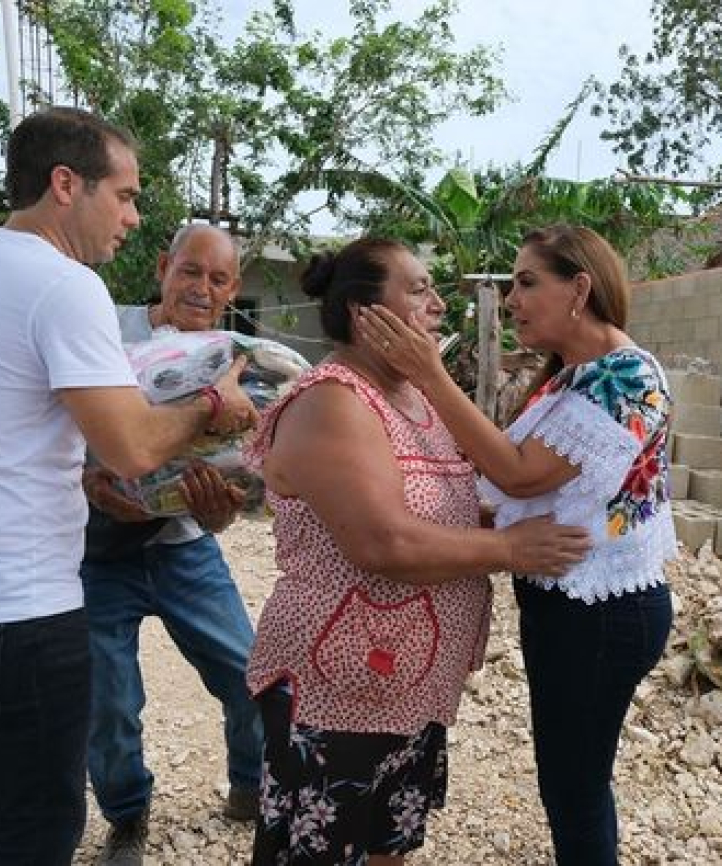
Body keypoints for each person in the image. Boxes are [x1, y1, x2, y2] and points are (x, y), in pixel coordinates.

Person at [0, 107, 257, 865]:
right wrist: (211, 404)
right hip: (20, 611)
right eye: (125, 195)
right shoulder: (64, 284)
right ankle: (127, 813)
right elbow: (129, 446)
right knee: (37, 829)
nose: (132, 217)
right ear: (67, 184)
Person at [243, 237, 594, 865]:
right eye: (418, 289)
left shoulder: (413, 397)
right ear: (364, 313)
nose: (437, 305)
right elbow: (382, 540)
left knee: (388, 845)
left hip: (407, 686)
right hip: (337, 688)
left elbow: (436, 505)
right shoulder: (335, 399)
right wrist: (509, 548)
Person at [358, 224, 678, 866]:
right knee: (570, 782)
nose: (510, 301)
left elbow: (519, 471)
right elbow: (516, 490)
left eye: (527, 283)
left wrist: (429, 375)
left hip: (601, 612)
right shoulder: (571, 378)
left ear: (579, 288)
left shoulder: (626, 377)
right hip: (569, 605)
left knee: (575, 790)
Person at [79, 224, 265, 865]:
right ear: (163, 266)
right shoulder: (103, 326)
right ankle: (126, 817)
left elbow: (238, 482)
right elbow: (61, 427)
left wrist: (219, 515)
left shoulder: (235, 357)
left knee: (252, 679)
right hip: (97, 554)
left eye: (218, 279)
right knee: (109, 702)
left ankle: (250, 787)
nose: (201, 288)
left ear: (233, 288)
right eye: (190, 271)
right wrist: (88, 483)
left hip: (185, 547)